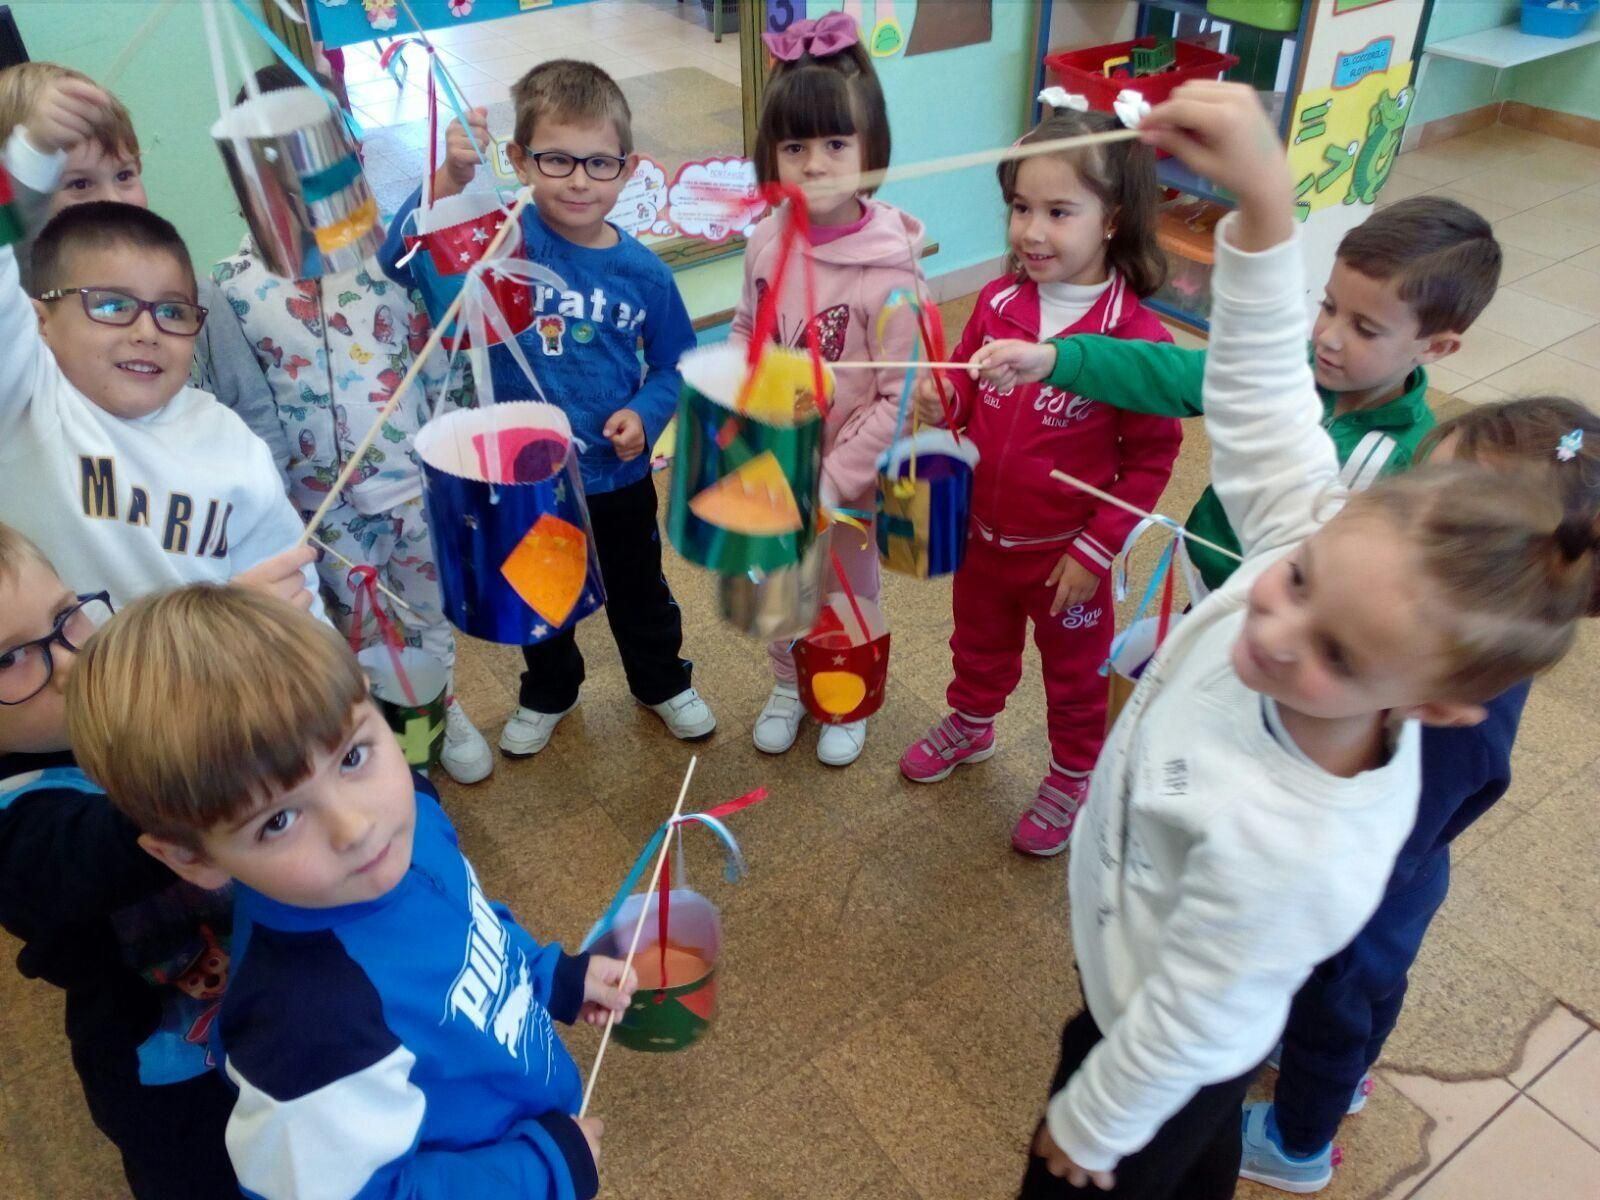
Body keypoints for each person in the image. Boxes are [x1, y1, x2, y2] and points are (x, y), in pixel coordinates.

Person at [975, 82, 1597, 1200]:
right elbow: (1258, 388)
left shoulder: (1304, 846)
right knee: (1200, 1154)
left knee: (1150, 1137)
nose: (1273, 621)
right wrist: (1262, 206)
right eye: (1298, 576)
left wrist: (1095, 1123)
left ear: (1441, 705)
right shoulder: (1329, 535)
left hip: (1146, 1043)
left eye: (1341, 655)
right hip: (1141, 960)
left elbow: (1199, 1016)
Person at [66, 584, 638, 1199]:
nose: (356, 827)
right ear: (191, 856)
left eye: (352, 757)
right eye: (278, 821)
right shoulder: (305, 1038)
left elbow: (467, 922)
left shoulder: (410, 815)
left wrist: (548, 977)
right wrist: (540, 1171)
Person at [1239, 396, 1600, 1193]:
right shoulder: (1469, 649)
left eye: (1437, 516)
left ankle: (1297, 1144)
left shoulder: (1452, 719)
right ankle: (1344, 1076)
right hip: (1392, 884)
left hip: (1362, 896)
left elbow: (1393, 832)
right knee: (1359, 1007)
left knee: (1334, 1015)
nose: (1402, 517)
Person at [380, 59, 713, 757]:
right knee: (541, 590)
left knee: (639, 590)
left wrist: (647, 415)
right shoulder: (500, 237)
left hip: (614, 478)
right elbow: (397, 260)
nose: (580, 180)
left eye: (600, 162)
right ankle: (550, 691)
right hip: (523, 477)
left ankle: (660, 680)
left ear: (628, 169)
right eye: (557, 159)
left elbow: (676, 364)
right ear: (520, 159)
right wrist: (449, 182)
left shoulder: (645, 274)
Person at [897, 98, 1182, 854]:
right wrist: (943, 397)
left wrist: (1095, 553)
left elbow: (1153, 459)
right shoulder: (996, 302)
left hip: (1066, 559)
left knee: (1077, 677)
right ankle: (974, 719)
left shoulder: (1134, 340)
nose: (1031, 230)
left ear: (1113, 217)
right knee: (977, 644)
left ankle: (1073, 771)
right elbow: (969, 389)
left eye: (1059, 211)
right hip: (983, 537)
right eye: (1021, 207)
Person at [214, 64, 493, 786]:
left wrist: (453, 172)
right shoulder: (230, 288)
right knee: (362, 629)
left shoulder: (388, 256)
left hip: (412, 489)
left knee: (431, 611)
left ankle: (440, 706)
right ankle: (389, 732)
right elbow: (245, 412)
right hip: (323, 513)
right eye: (280, 167)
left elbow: (430, 247)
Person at [1027, 193, 1500, 596]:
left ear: (1436, 346)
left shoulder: (1417, 459)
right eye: (1329, 306)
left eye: (1365, 328)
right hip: (1211, 588)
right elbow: (1169, 372)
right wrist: (1057, 359)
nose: (1330, 336)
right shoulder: (1284, 365)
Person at [0, 80, 322, 614]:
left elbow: (295, 594)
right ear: (39, 321)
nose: (147, 331)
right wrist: (28, 163)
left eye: (172, 312)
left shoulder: (228, 441)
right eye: (108, 305)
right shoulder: (26, 398)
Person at [0, 524, 239, 1199]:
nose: (71, 660)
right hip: (174, 1083)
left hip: (272, 1012)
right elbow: (101, 845)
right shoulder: (18, 822)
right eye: (8, 659)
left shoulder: (107, 716)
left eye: (65, 617)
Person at [732, 11, 921, 769]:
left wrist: (831, 482)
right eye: (796, 145)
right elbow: (750, 330)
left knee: (845, 590)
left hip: (848, 482)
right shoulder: (767, 239)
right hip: (779, 462)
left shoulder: (892, 272)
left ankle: (845, 692)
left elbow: (897, 397)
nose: (815, 164)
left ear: (870, 149)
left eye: (837, 143)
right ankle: (789, 683)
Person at [0, 62, 287, 466]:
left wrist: (276, 494)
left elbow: (251, 406)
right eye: (78, 184)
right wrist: (30, 157)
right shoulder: (19, 326)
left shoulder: (197, 295)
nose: (113, 202)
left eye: (124, 175)